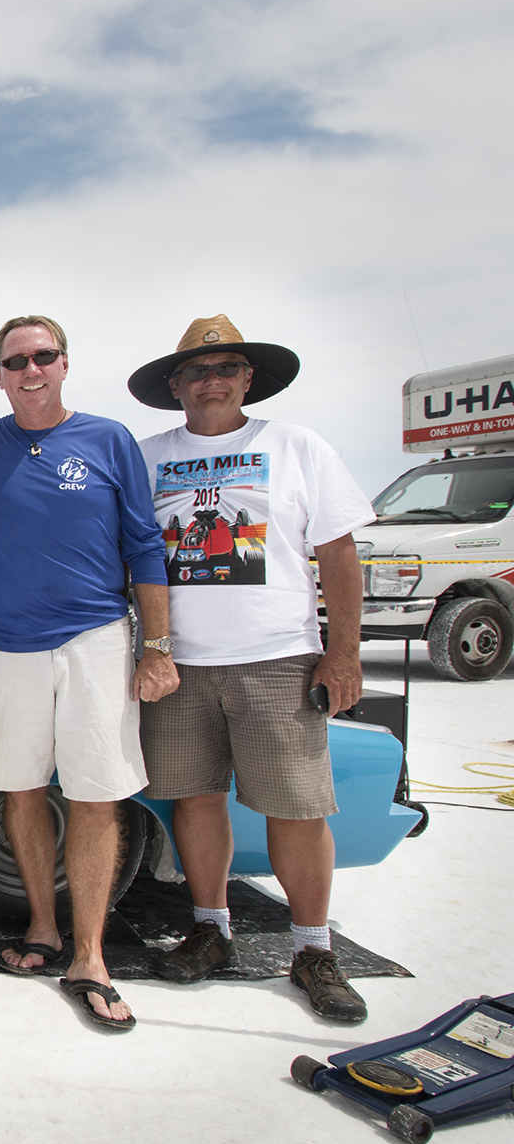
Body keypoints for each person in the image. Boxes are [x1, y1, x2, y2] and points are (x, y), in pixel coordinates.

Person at [128, 316, 374, 1021]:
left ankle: (313, 949)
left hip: (277, 658)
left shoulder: (298, 447)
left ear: (248, 378)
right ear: (175, 386)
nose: (211, 381)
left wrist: (344, 650)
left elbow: (338, 556)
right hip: (178, 661)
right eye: (196, 371)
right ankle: (211, 928)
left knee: (294, 806)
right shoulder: (147, 457)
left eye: (225, 367)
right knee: (195, 797)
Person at [0, 315, 177, 1031]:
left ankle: (90, 954)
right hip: (4, 645)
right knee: (18, 789)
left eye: (42, 356)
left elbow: (144, 545)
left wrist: (157, 645)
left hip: (95, 639)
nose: (30, 370)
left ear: (65, 364)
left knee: (94, 795)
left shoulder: (109, 439)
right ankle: (43, 928)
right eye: (15, 361)